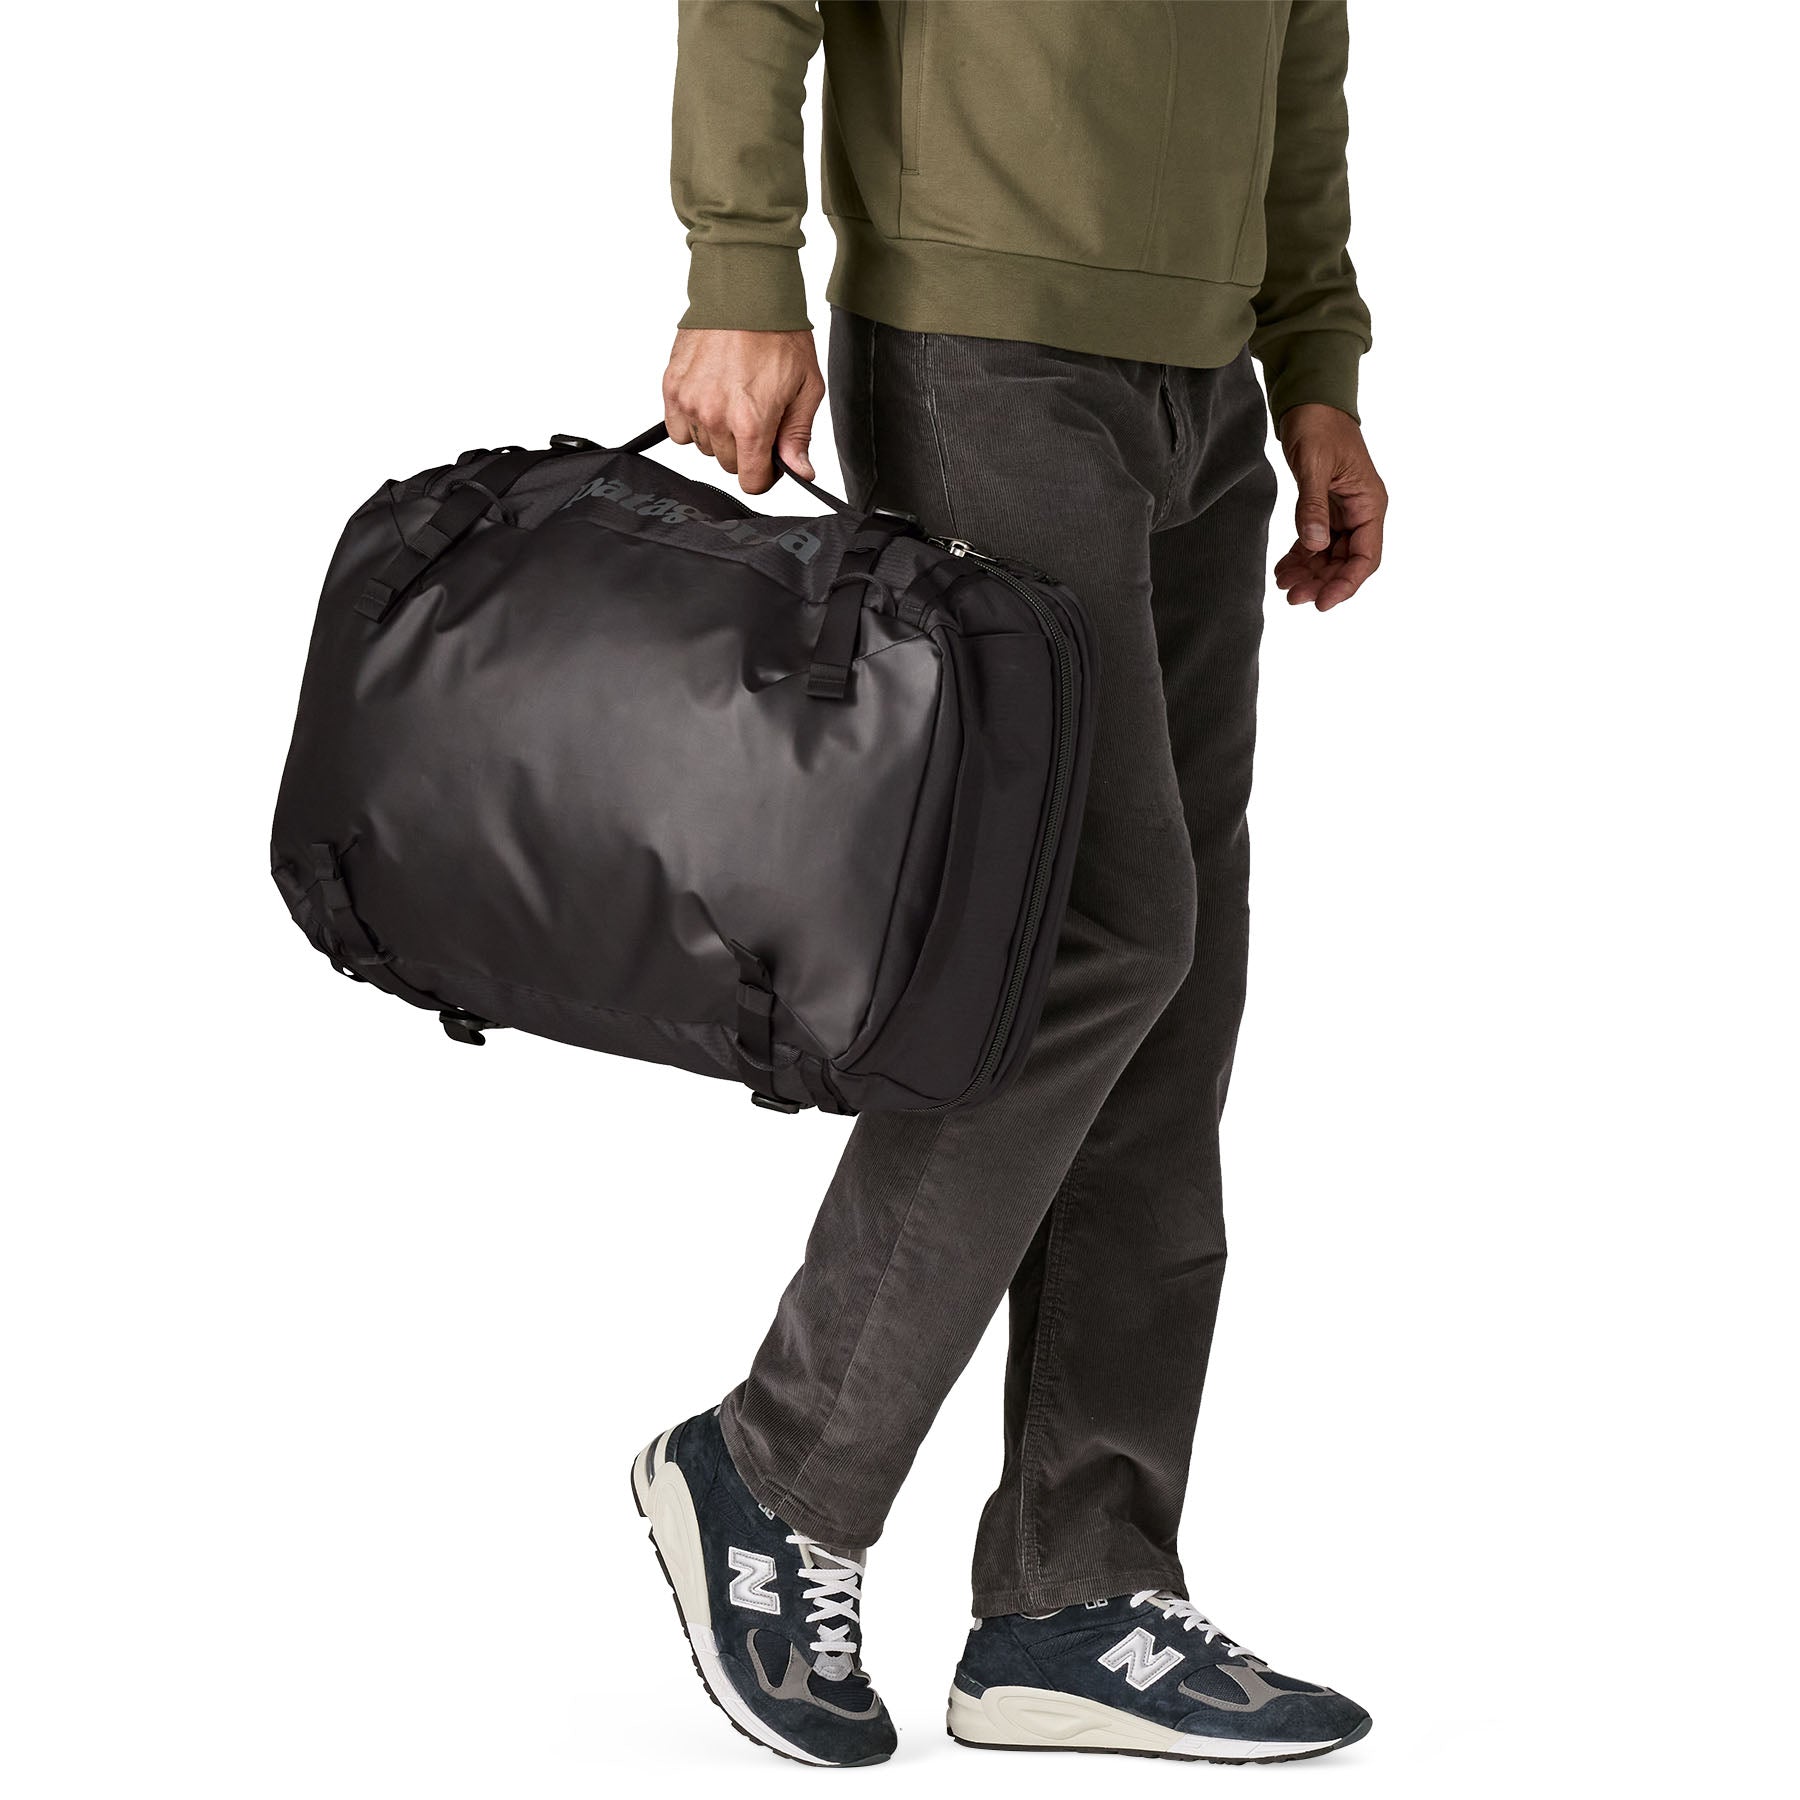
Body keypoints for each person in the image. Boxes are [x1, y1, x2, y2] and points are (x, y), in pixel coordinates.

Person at [631, 0, 1387, 1767]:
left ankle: (1079, 1591)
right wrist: (739, 264)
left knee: (1170, 989)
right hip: (982, 347)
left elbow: (1298, 56)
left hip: (1207, 391)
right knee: (1102, 937)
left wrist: (1317, 361)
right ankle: (772, 1468)